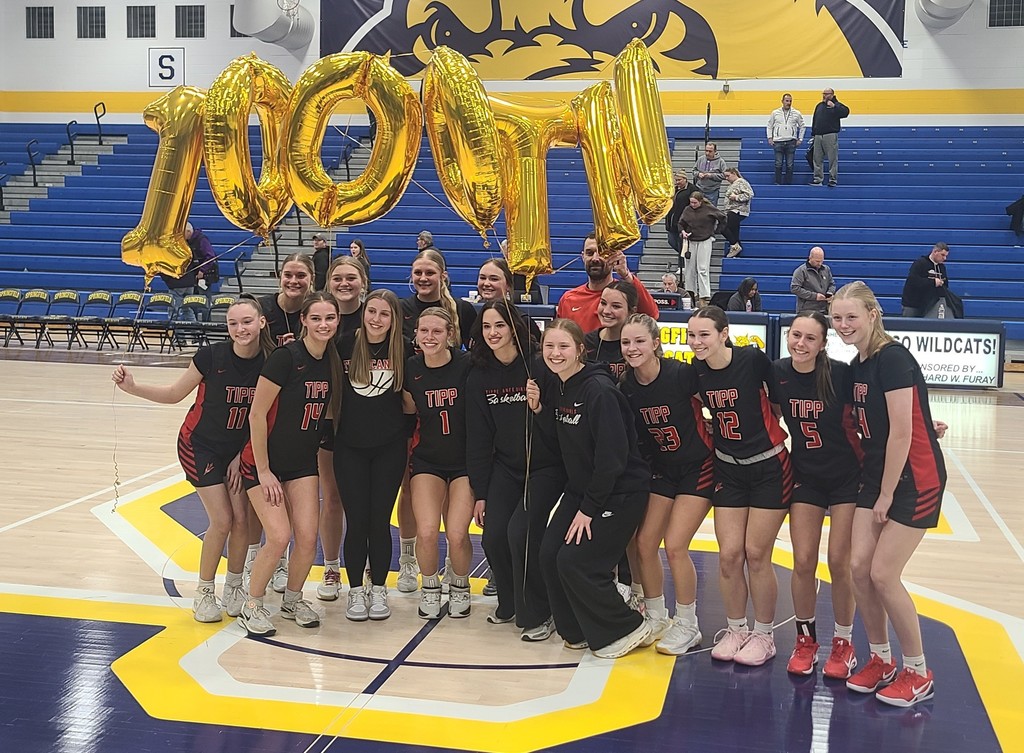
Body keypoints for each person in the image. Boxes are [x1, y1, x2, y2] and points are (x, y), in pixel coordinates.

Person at [111, 296, 274, 623]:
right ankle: (203, 592)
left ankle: (235, 587)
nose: (239, 329)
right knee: (223, 520)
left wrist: (243, 454)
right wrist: (133, 387)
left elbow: (266, 415)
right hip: (199, 445)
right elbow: (174, 394)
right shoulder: (210, 357)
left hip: (238, 450)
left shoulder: (271, 362)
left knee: (243, 520)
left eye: (246, 322)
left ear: (261, 323)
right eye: (232, 323)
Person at [830, 281, 947, 707]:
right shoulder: (857, 362)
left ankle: (918, 670)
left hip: (915, 479)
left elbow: (902, 432)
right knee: (858, 568)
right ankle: (881, 658)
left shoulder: (892, 358)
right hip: (877, 475)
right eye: (837, 318)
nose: (843, 325)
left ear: (873, 314)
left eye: (851, 317)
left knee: (883, 574)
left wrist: (883, 496)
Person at [526, 319, 652, 658]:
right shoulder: (559, 386)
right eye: (549, 347)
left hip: (618, 491)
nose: (555, 353)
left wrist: (588, 509)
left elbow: (612, 460)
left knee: (576, 561)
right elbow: (558, 444)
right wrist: (539, 411)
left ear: (581, 349)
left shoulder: (599, 391)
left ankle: (628, 625)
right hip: (583, 489)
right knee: (549, 553)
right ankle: (576, 630)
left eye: (563, 346)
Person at [688, 306, 792, 666]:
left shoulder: (751, 359)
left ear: (723, 333)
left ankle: (764, 635)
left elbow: (779, 402)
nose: (696, 342)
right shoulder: (695, 373)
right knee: (729, 555)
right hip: (728, 469)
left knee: (757, 554)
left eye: (704, 334)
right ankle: (736, 629)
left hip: (769, 466)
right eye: (691, 335)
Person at [236, 292, 344, 637]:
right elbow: (255, 414)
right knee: (280, 536)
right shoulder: (286, 358)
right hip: (263, 463)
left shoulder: (332, 360)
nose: (323, 325)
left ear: (337, 321)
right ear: (304, 321)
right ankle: (251, 605)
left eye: (330, 318)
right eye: (316, 318)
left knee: (308, 538)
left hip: (301, 462)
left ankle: (293, 599)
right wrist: (264, 471)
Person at [468, 301, 564, 640]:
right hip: (507, 469)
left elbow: (561, 425)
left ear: (513, 328)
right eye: (486, 327)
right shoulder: (479, 375)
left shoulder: (538, 366)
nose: (493, 333)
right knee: (493, 537)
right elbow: (478, 438)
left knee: (520, 533)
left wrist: (539, 408)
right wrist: (481, 493)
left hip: (546, 468)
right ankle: (509, 602)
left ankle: (540, 612)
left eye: (499, 325)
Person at [773, 312, 862, 678]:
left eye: (810, 338)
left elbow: (876, 413)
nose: (801, 344)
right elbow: (769, 412)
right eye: (796, 335)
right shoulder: (777, 373)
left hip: (846, 478)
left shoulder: (840, 374)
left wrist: (924, 421)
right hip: (806, 476)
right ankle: (805, 639)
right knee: (804, 560)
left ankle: (843, 642)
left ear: (823, 344)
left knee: (840, 562)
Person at [619, 314, 714, 655]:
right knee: (644, 543)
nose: (632, 348)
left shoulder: (681, 375)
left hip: (697, 466)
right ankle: (656, 616)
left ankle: (689, 624)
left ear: (656, 343)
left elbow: (714, 402)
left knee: (675, 545)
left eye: (639, 341)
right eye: (626, 343)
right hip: (662, 469)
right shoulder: (626, 387)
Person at [335, 290, 410, 621]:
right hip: (349, 447)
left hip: (389, 448)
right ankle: (354, 591)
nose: (376, 319)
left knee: (379, 522)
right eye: (372, 312)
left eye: (384, 314)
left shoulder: (404, 348)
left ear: (394, 319)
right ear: (363, 313)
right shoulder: (343, 345)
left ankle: (378, 588)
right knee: (357, 522)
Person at [403, 307, 475, 619]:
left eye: (437, 331)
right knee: (428, 531)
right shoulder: (411, 369)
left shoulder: (467, 365)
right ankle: (430, 586)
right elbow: (407, 413)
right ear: (416, 335)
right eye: (424, 331)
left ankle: (460, 584)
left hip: (464, 462)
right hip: (428, 460)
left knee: (457, 533)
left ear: (450, 335)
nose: (430, 337)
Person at [314, 256, 370, 603]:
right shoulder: (322, 318)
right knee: (332, 497)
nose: (345, 283)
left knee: (363, 503)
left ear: (363, 281)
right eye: (338, 278)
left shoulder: (375, 316)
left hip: (368, 424)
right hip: (330, 423)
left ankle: (362, 566)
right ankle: (331, 566)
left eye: (352, 278)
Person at [555, 232, 660, 331]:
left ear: (614, 256)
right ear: (583, 257)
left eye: (602, 253)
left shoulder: (623, 295)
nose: (595, 258)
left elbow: (651, 315)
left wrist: (626, 274)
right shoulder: (568, 299)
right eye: (590, 253)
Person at [401, 248, 478, 347]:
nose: (423, 278)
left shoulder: (462, 309)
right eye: (418, 273)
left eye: (430, 273)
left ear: (443, 276)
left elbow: (475, 352)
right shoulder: (400, 309)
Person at [160, 222, 215, 321]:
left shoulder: (201, 240)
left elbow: (210, 257)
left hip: (201, 276)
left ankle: (176, 330)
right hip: (191, 279)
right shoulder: (184, 243)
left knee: (178, 308)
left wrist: (202, 270)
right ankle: (194, 328)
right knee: (188, 307)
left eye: (183, 233)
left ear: (189, 231)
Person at [679, 192, 726, 308]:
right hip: (690, 240)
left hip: (705, 240)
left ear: (700, 201)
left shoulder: (709, 209)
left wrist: (716, 231)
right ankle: (690, 293)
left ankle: (704, 296)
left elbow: (723, 218)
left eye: (695, 202)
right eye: (691, 202)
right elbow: (681, 223)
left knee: (702, 268)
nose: (693, 204)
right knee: (689, 269)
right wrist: (683, 232)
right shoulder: (687, 210)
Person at [583, 281, 637, 380]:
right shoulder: (585, 342)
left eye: (616, 306)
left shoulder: (639, 346)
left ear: (632, 312)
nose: (606, 311)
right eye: (603, 303)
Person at [258, 253, 314, 346]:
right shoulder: (260, 307)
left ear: (312, 279)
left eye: (301, 276)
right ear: (280, 276)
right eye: (288, 275)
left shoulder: (318, 310)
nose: (293, 281)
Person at [810, 88, 850, 187]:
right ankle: (818, 179)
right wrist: (814, 134)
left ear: (832, 95)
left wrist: (834, 106)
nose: (824, 96)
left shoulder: (837, 105)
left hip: (830, 135)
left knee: (832, 158)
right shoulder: (819, 106)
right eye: (823, 94)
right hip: (818, 135)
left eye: (827, 94)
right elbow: (815, 119)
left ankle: (833, 179)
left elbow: (846, 112)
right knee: (817, 158)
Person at [900, 243, 950, 318]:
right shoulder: (920, 263)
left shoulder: (942, 268)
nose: (945, 258)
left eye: (946, 256)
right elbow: (913, 280)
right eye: (942, 255)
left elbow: (946, 285)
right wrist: (933, 282)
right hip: (913, 304)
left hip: (929, 306)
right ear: (935, 252)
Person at [766, 93, 806, 185]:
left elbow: (803, 126)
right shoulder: (775, 113)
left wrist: (800, 139)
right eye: (787, 101)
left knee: (790, 165)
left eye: (790, 101)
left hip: (791, 141)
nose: (789, 103)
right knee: (778, 164)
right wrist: (769, 137)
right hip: (778, 141)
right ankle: (778, 182)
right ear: (782, 101)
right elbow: (769, 125)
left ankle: (788, 184)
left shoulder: (796, 113)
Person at [791, 247, 835, 314]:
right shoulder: (801, 271)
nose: (820, 263)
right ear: (810, 258)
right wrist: (815, 296)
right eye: (817, 261)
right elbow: (795, 288)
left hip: (824, 310)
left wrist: (829, 293)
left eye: (821, 261)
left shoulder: (826, 269)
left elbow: (832, 284)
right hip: (806, 311)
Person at [721, 168, 754, 258]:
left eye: (728, 176)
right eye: (725, 176)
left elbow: (749, 194)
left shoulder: (741, 182)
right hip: (731, 210)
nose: (726, 178)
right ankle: (736, 252)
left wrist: (736, 197)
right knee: (734, 232)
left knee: (723, 228)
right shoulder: (732, 184)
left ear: (734, 173)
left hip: (737, 210)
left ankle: (734, 246)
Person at [664, 171, 698, 254]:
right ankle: (684, 257)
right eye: (676, 180)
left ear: (685, 179)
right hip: (671, 222)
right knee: (672, 242)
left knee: (682, 244)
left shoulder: (692, 190)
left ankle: (683, 261)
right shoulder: (673, 189)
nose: (677, 182)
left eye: (679, 180)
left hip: (683, 223)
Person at [692, 142, 727, 207]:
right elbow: (694, 171)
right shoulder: (700, 159)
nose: (707, 153)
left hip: (712, 191)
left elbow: (725, 175)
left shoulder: (721, 162)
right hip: (699, 189)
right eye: (706, 151)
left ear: (715, 151)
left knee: (711, 210)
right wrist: (698, 174)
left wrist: (711, 175)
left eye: (710, 151)